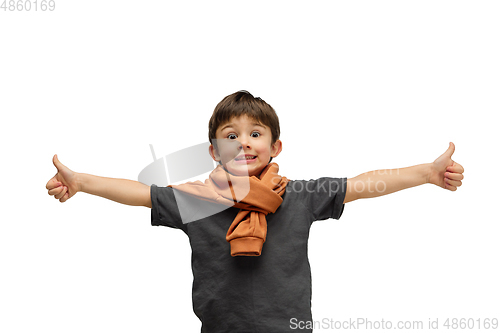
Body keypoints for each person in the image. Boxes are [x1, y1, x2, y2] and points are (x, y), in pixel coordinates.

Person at [46, 90, 464, 333]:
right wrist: (81, 182)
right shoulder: (197, 199)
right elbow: (141, 192)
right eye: (231, 136)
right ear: (214, 150)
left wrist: (425, 172)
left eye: (255, 133)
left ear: (274, 147)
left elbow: (362, 184)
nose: (243, 143)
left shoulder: (300, 196)